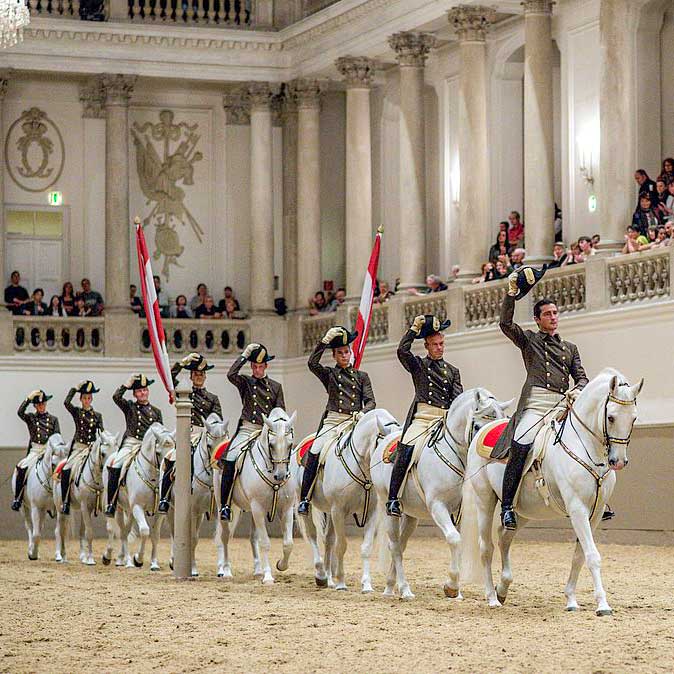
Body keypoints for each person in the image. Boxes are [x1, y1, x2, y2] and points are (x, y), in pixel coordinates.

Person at [494, 269, 589, 530]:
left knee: (587, 440)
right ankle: (507, 506)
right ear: (537, 319)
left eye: (555, 313)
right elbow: (505, 324)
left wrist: (578, 389)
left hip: (562, 405)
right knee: (522, 443)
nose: (553, 318)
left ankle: (594, 497)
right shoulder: (529, 340)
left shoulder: (570, 348)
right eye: (547, 314)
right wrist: (511, 296)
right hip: (536, 405)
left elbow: (582, 377)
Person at [385, 315, 463, 517]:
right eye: (434, 344)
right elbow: (402, 351)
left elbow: (458, 400)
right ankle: (394, 498)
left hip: (444, 420)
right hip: (423, 418)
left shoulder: (453, 371)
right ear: (427, 346)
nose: (439, 347)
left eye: (441, 343)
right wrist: (413, 329)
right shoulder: (418, 365)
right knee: (407, 446)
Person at [297, 327, 376, 515]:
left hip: (354, 422)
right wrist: (323, 342)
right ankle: (305, 498)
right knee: (315, 450)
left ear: (351, 353)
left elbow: (371, 401)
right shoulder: (329, 374)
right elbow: (312, 363)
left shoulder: (362, 376)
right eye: (340, 353)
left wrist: (363, 413)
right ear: (334, 355)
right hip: (333, 422)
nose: (344, 355)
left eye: (346, 352)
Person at [219, 343, 285, 521]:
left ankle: (285, 498)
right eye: (254, 366)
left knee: (283, 454)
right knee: (231, 458)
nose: (257, 370)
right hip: (247, 429)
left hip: (266, 431)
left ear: (266, 366)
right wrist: (244, 355)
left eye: (260, 366)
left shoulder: (276, 386)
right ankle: (225, 505)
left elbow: (280, 412)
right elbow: (231, 374)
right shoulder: (246, 383)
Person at [157, 353, 222, 513]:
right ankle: (164, 497)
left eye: (201, 374)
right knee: (172, 459)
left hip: (207, 435)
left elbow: (218, 419)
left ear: (205, 376)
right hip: (188, 434)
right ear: (191, 376)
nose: (199, 377)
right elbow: (169, 377)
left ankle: (223, 499)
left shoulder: (213, 398)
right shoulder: (184, 392)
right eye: (196, 374)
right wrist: (182, 363)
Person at [104, 374, 163, 517]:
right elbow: (116, 398)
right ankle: (111, 503)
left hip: (148, 447)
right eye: (139, 391)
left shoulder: (156, 411)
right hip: (131, 444)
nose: (142, 393)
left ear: (148, 391)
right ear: (135, 394)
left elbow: (160, 431)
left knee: (164, 465)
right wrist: (126, 384)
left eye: (144, 390)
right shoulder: (130, 407)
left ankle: (164, 499)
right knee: (116, 464)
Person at [11, 390, 61, 511]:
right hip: (36, 451)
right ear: (35, 406)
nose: (41, 407)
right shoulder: (31, 418)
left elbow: (57, 436)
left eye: (43, 404)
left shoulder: (53, 419)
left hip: (49, 451)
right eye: (39, 405)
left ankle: (63, 498)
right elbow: (20, 412)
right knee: (22, 467)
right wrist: (28, 399)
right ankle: (18, 498)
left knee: (60, 470)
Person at [60, 381, 104, 515]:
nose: (86, 400)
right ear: (80, 399)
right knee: (67, 469)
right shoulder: (77, 412)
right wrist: (75, 388)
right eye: (84, 398)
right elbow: (66, 403)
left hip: (91, 449)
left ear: (91, 399)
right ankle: (65, 501)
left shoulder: (97, 415)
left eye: (89, 398)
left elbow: (101, 432)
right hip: (79, 448)